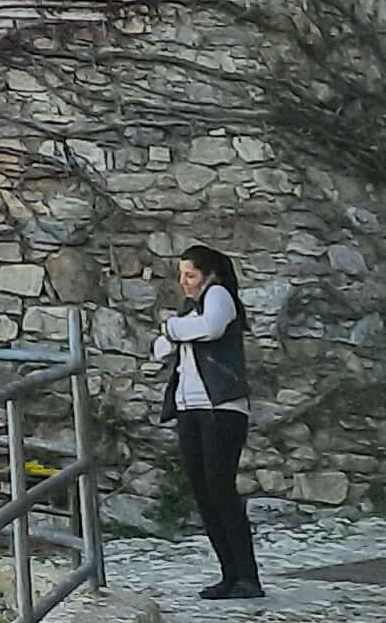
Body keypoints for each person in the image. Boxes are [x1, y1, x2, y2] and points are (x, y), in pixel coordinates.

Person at [150, 245, 262, 601]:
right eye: (181, 275)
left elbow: (211, 328)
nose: (184, 282)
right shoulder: (189, 310)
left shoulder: (219, 296)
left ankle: (248, 576)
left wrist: (171, 328)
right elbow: (158, 350)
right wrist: (177, 331)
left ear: (209, 274)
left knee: (220, 489)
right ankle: (230, 575)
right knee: (203, 493)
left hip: (222, 408)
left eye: (191, 275)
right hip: (190, 409)